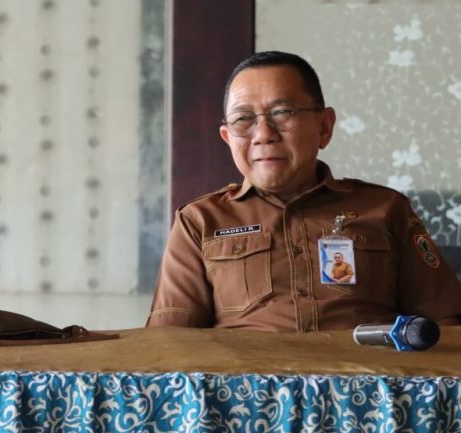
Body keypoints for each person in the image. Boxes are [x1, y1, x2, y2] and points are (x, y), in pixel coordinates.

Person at [146, 51, 461, 332]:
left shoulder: (385, 208)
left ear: (324, 127)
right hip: (248, 380)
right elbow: (170, 342)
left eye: (282, 113)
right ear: (228, 138)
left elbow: (445, 324)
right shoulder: (200, 221)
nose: (263, 134)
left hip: (364, 377)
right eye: (244, 119)